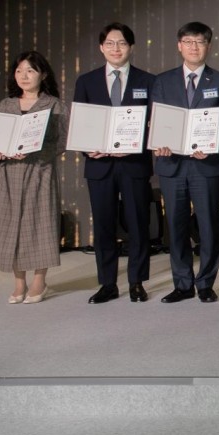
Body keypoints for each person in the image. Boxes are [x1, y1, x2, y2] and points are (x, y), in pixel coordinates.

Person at [150, 22, 219, 304]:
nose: (194, 47)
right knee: (175, 226)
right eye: (188, 41)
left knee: (208, 226)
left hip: (206, 165)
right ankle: (182, 283)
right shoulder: (162, 81)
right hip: (171, 164)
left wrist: (210, 146)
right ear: (179, 46)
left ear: (208, 46)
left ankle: (206, 283)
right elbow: (156, 119)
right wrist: (159, 140)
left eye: (199, 42)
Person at [72, 23, 155, 304]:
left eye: (121, 43)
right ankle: (107, 283)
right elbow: (80, 122)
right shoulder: (86, 81)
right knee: (104, 225)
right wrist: (87, 148)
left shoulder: (148, 81)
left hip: (134, 164)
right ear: (101, 47)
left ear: (131, 47)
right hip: (99, 165)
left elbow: (155, 124)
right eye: (110, 43)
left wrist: (137, 144)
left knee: (138, 223)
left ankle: (136, 281)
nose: (116, 48)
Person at [0, 50, 68, 304]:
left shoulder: (54, 105)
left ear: (43, 74)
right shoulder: (6, 105)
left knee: (40, 223)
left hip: (40, 171)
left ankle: (40, 280)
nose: (24, 76)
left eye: (30, 70)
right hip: (9, 173)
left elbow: (62, 141)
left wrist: (35, 152)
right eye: (19, 71)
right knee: (10, 225)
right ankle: (19, 282)